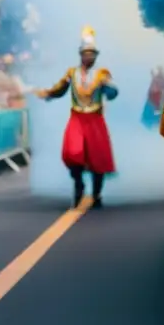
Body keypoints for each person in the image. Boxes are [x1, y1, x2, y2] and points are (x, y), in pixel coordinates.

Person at [37, 26, 118, 209]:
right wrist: (48, 94)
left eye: (92, 54)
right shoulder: (71, 73)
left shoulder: (102, 74)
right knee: (73, 153)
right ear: (80, 55)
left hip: (95, 119)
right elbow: (60, 89)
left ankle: (97, 195)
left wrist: (108, 88)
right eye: (86, 54)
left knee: (99, 159)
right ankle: (78, 184)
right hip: (77, 118)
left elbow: (113, 93)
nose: (89, 57)